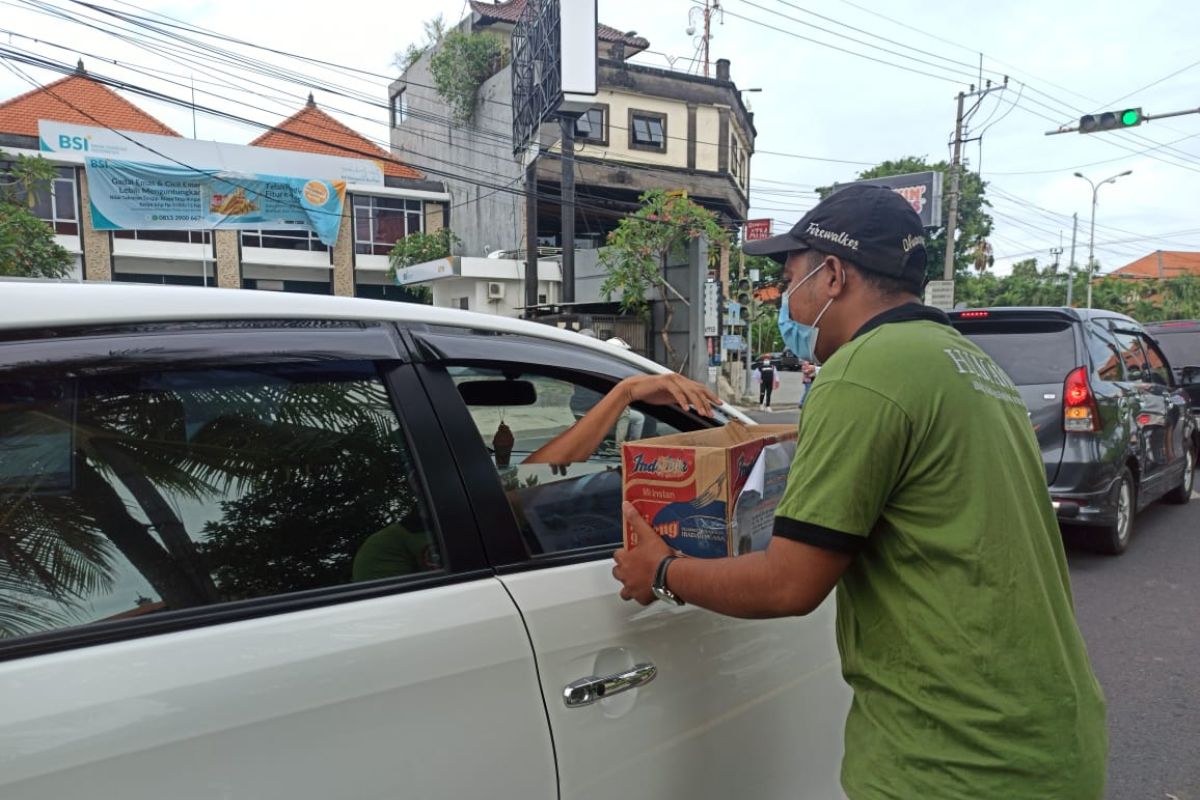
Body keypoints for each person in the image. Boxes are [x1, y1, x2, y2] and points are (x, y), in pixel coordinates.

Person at [611, 184, 1107, 799]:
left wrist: (661, 569)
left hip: (956, 760)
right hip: (1047, 736)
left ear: (833, 275)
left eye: (790, 275)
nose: (784, 298)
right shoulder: (968, 364)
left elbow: (789, 584)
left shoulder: (863, 373)